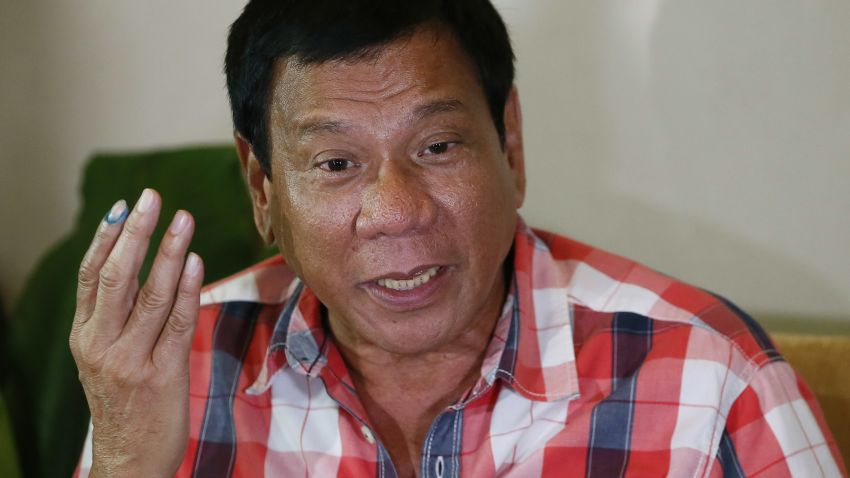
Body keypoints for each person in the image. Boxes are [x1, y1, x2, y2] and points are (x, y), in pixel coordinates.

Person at [70, 1, 846, 477]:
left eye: (437, 147)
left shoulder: (711, 376)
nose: (396, 210)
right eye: (336, 162)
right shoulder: (178, 366)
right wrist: (126, 463)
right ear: (264, 191)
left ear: (510, 146)